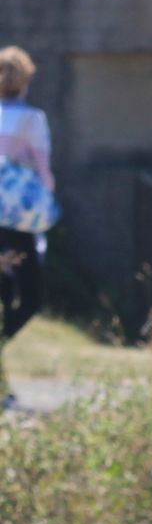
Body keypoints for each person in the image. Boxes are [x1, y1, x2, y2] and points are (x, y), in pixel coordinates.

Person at [0, 46, 52, 345]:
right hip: (18, 218)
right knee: (32, 298)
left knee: (3, 295)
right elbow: (44, 171)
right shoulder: (32, 119)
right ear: (25, 80)